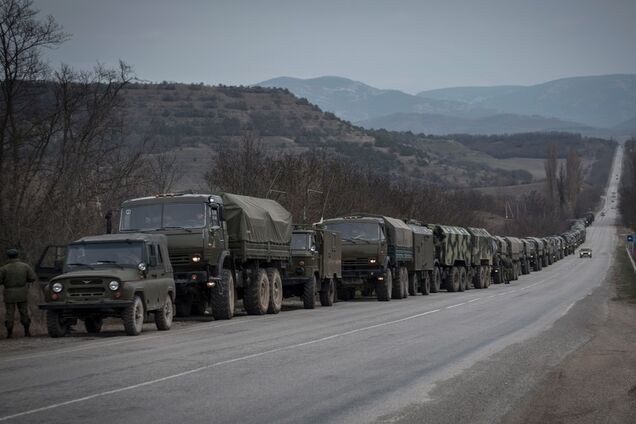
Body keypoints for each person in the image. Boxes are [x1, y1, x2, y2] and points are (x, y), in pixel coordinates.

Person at [0, 249, 37, 338]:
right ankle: (27, 332)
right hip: (22, 292)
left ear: (8, 256)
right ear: (17, 255)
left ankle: (9, 334)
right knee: (24, 312)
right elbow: (32, 278)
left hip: (9, 293)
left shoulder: (4, 268)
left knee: (9, 313)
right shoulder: (25, 266)